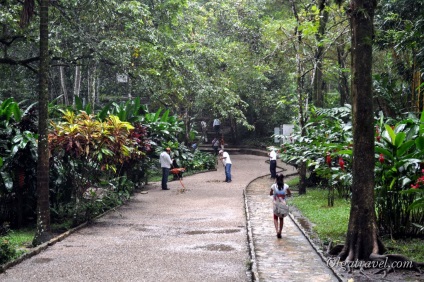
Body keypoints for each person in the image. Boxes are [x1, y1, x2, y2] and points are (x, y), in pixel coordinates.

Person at [269, 174, 291, 238]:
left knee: (275, 218)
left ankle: (277, 231)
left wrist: (274, 192)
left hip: (276, 204)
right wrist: (285, 194)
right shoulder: (286, 186)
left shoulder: (273, 186)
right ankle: (280, 232)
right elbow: (289, 194)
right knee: (281, 218)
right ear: (283, 179)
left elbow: (270, 193)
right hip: (283, 205)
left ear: (276, 179)